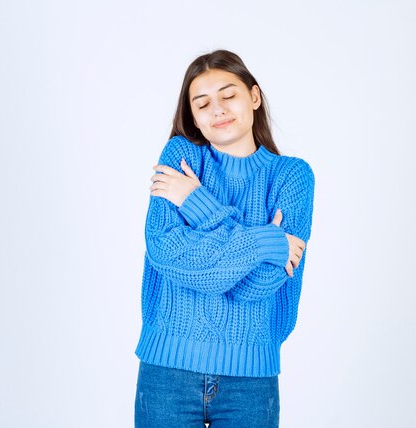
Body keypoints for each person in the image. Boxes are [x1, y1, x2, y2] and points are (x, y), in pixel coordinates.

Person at [134, 49, 315, 427]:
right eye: (202, 103)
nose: (217, 109)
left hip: (251, 381)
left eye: (228, 95)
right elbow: (166, 252)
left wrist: (194, 203)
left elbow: (263, 283)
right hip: (167, 371)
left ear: (254, 96)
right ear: (194, 118)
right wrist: (266, 241)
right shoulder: (181, 156)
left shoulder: (293, 176)